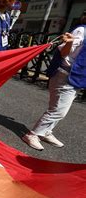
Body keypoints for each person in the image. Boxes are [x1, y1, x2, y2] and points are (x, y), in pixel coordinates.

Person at [22, 12, 85, 150]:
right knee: (58, 110)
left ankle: (45, 132)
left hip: (75, 76)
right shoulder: (82, 31)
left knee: (59, 108)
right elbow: (64, 52)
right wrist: (68, 42)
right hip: (66, 74)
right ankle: (33, 134)